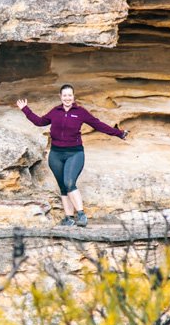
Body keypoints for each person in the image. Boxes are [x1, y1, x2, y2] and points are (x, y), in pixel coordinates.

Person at [16, 84, 129, 227]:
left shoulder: (80, 112)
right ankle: (68, 218)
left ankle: (81, 215)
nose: (67, 98)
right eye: (64, 95)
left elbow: (98, 125)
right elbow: (39, 122)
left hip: (74, 153)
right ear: (60, 97)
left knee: (69, 182)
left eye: (70, 95)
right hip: (56, 154)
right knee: (63, 187)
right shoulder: (55, 111)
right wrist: (25, 109)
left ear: (73, 97)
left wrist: (119, 133)